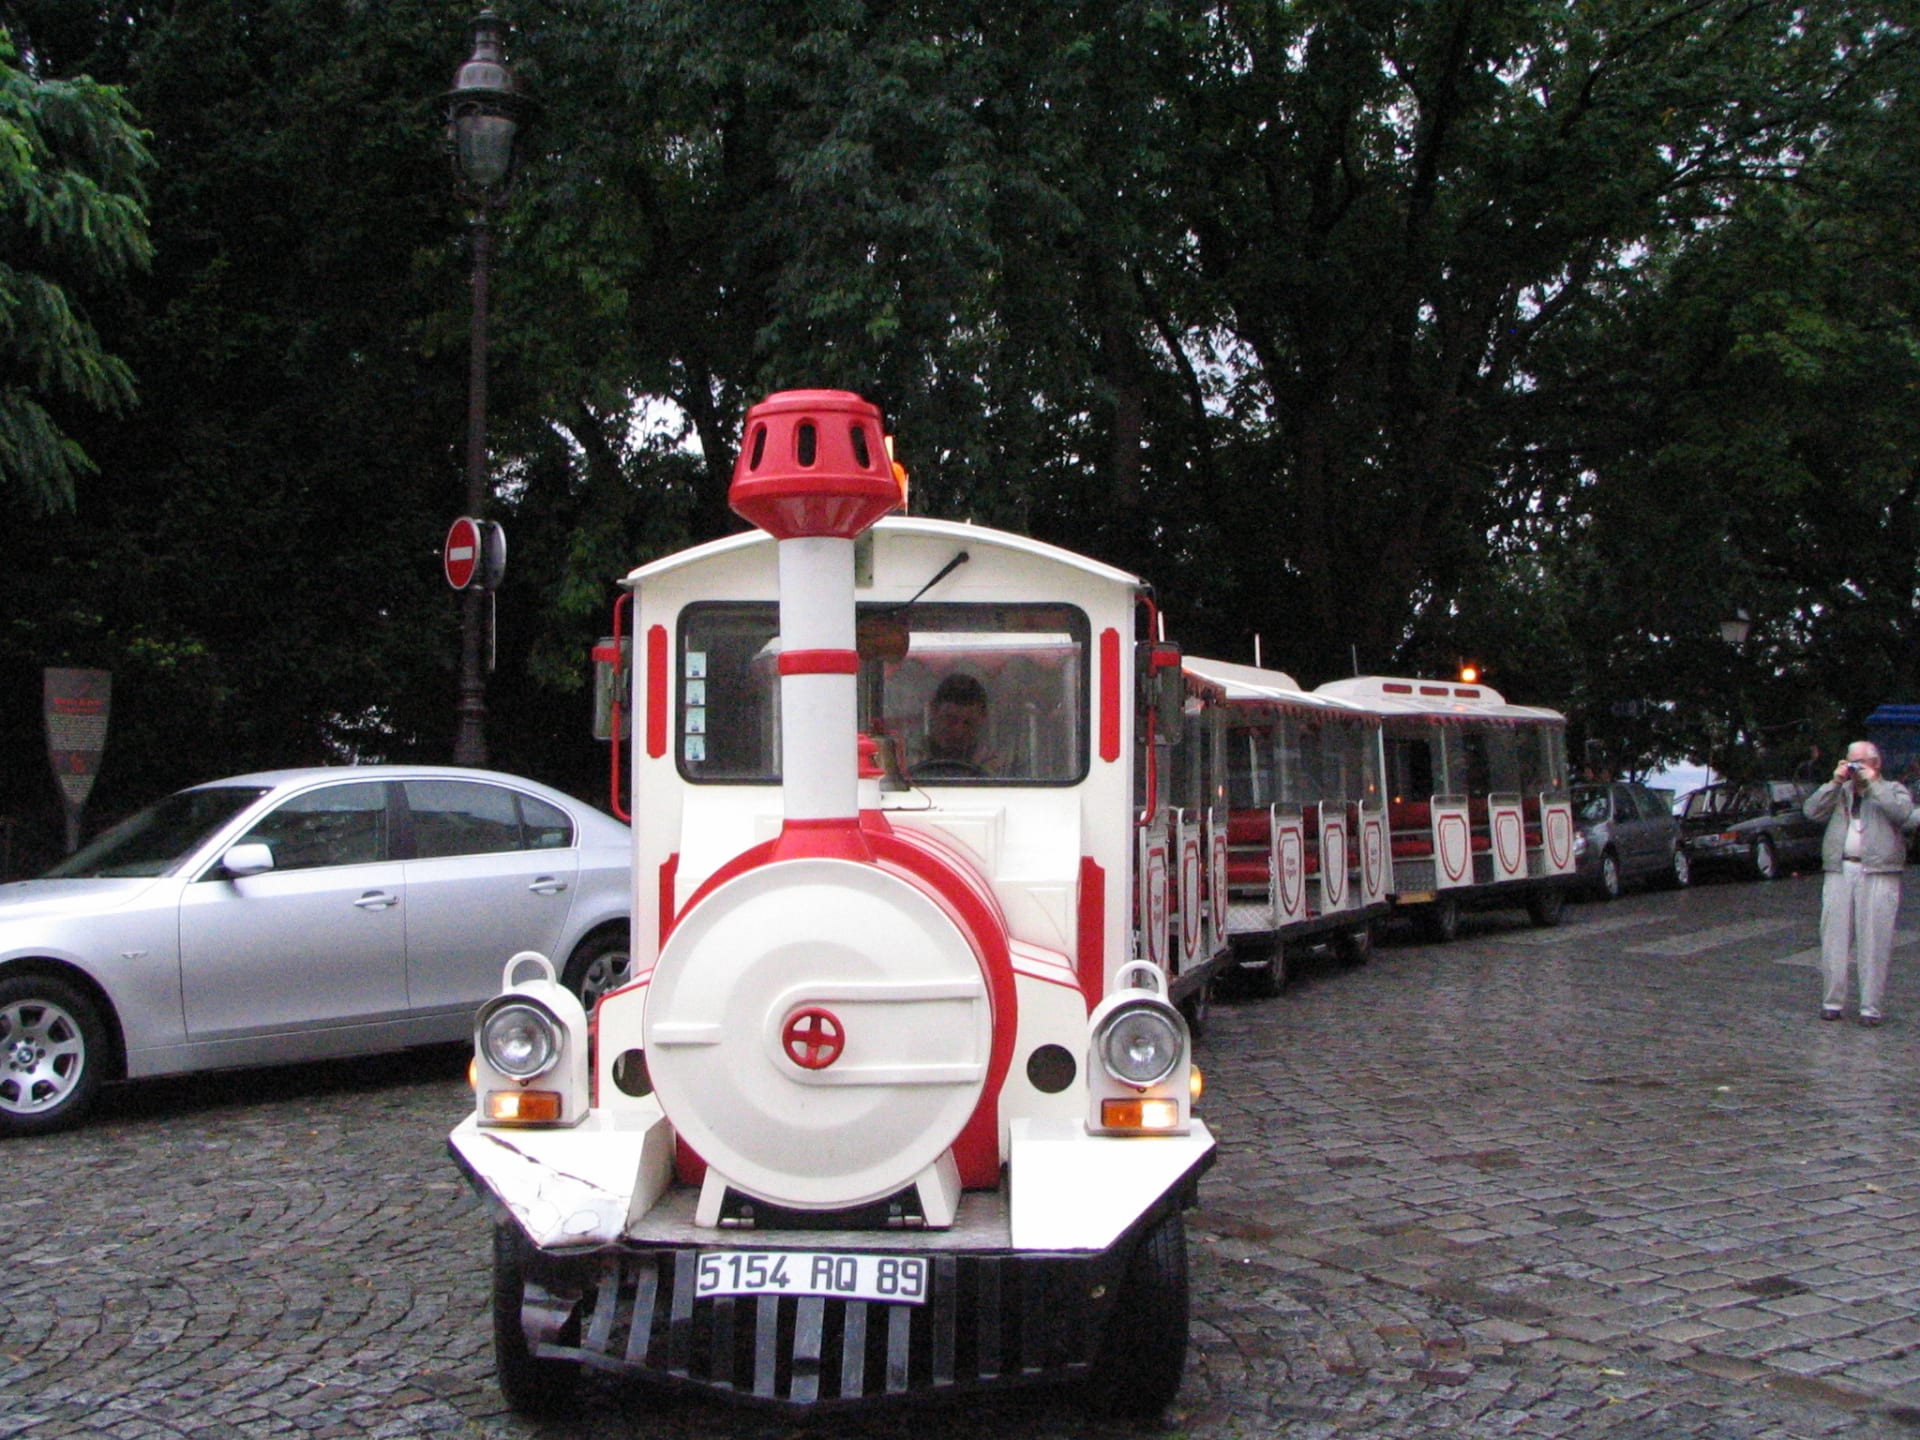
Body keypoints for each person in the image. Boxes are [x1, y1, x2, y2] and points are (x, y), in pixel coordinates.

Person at [1804, 742, 1914, 1026]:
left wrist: (1874, 783)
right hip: (1840, 868)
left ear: (1875, 764)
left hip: (1879, 871)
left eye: (1860, 763)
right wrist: (1835, 781)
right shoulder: (1840, 792)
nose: (1855, 768)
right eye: (1850, 762)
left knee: (1875, 941)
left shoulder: (1893, 790)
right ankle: (1832, 1002)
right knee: (1833, 939)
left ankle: (1870, 1007)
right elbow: (1811, 812)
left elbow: (1903, 814)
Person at [919, 671, 992, 775]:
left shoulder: (996, 765)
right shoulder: (908, 758)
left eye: (968, 723)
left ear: (982, 720)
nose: (959, 732)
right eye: (950, 721)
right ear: (933, 712)